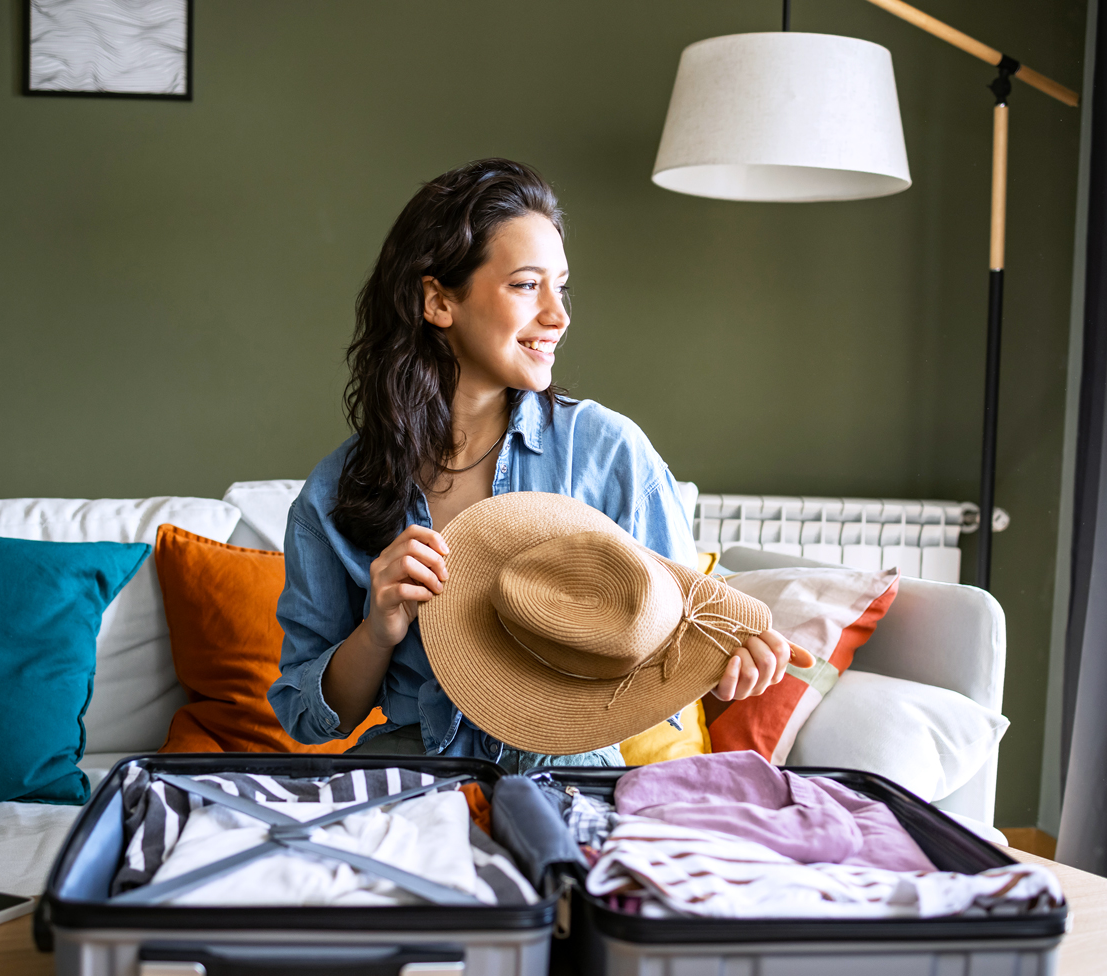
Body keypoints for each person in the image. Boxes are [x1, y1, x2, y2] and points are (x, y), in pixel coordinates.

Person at [269, 158, 792, 772]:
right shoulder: (334, 494)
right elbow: (307, 719)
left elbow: (681, 639)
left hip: (571, 784)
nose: (559, 315)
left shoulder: (608, 450)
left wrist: (726, 667)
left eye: (561, 286)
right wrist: (377, 630)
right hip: (408, 776)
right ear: (438, 301)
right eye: (526, 285)